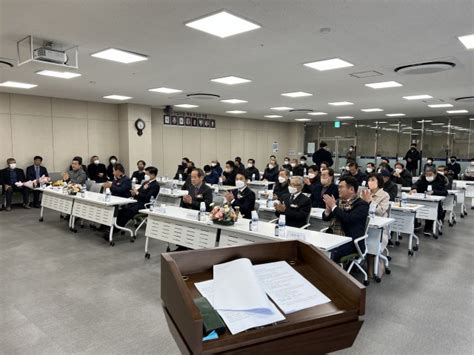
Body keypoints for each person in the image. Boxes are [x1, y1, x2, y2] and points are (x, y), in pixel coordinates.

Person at [322, 176, 370, 263]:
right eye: (338, 187)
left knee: (329, 255)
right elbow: (325, 218)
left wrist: (333, 207)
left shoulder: (361, 205)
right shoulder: (337, 202)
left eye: (341, 187)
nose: (338, 189)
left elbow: (348, 219)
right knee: (314, 248)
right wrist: (327, 210)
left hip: (350, 241)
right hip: (332, 236)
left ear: (351, 189)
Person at [360, 173, 390, 278]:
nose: (370, 182)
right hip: (363, 224)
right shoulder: (364, 192)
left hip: (379, 228)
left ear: (379, 182)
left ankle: (372, 266)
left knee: (372, 244)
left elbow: (381, 212)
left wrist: (370, 201)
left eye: (372, 180)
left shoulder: (384, 195)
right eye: (369, 180)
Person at [411, 167, 447, 236]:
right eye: (426, 175)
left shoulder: (440, 180)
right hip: (421, 200)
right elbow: (415, 185)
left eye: (430, 175)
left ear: (435, 174)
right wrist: (414, 188)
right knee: (413, 208)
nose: (428, 176)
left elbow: (444, 192)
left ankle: (428, 227)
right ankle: (415, 224)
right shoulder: (422, 179)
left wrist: (434, 192)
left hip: (434, 202)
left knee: (431, 210)